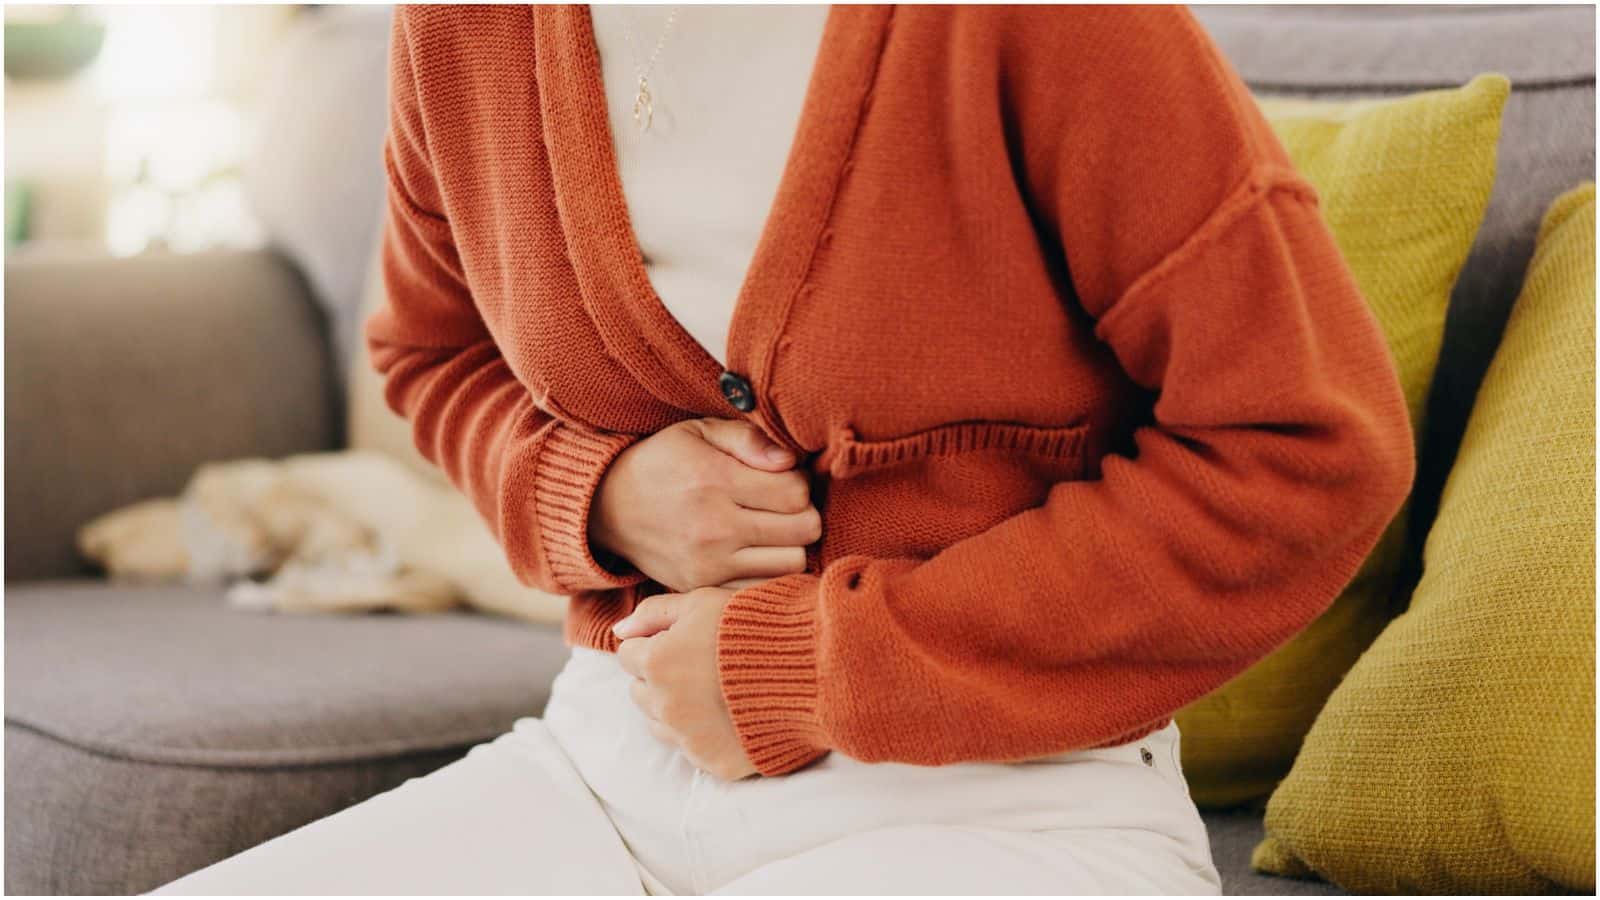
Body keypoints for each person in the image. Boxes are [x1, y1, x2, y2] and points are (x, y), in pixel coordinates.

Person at [159, 4, 1414, 894]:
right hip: (606, 770)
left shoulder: (1041, 20)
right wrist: (594, 494)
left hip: (1007, 801)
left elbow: (1307, 447)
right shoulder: (462, 24)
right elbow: (431, 356)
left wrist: (807, 667)